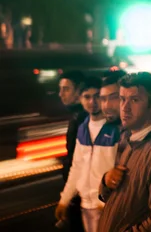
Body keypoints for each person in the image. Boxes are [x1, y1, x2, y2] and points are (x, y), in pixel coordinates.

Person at [98, 72, 151, 232]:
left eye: (135, 100)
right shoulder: (128, 139)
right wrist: (106, 182)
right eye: (122, 99)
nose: (125, 107)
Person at [56, 76, 120, 232]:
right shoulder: (83, 128)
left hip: (108, 206)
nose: (92, 102)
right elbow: (77, 167)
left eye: (97, 96)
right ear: (80, 99)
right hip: (86, 205)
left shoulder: (115, 129)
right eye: (87, 97)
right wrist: (64, 200)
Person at [59, 70, 87, 232]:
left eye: (66, 89)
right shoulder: (77, 116)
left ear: (79, 91)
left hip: (82, 194)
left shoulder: (82, 119)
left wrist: (70, 195)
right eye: (60, 89)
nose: (61, 94)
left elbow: (78, 160)